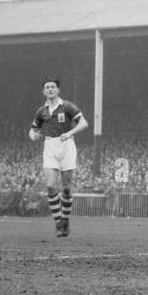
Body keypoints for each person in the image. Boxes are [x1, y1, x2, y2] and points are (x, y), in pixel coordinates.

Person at [28, 77, 88, 239]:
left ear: (58, 90)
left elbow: (84, 124)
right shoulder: (41, 111)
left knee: (67, 188)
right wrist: (34, 137)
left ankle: (65, 220)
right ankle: (59, 223)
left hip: (67, 146)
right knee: (50, 186)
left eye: (53, 87)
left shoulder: (68, 106)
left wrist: (69, 133)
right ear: (43, 91)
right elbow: (32, 131)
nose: (50, 89)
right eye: (47, 87)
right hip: (50, 147)